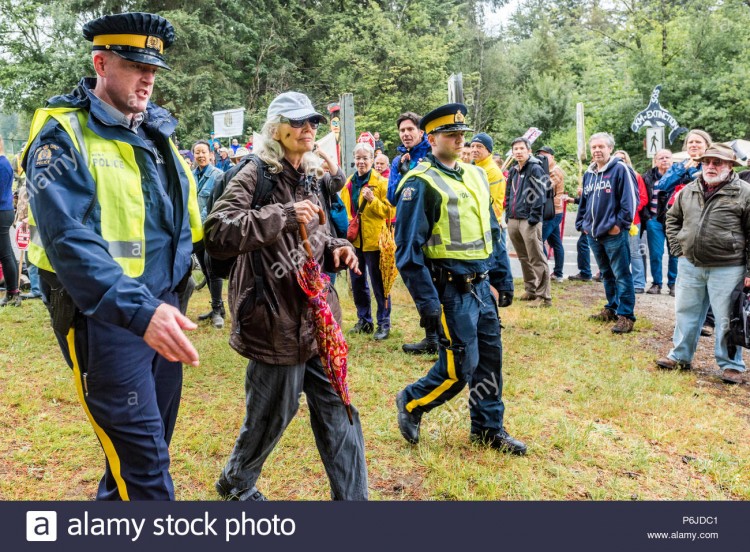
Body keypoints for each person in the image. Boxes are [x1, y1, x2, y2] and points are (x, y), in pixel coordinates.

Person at [22, 12, 203, 499]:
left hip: (163, 310)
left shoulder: (158, 134)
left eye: (153, 69)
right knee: (145, 469)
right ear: (101, 63)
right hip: (106, 318)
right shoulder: (62, 133)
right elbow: (67, 241)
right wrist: (143, 312)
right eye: (133, 65)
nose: (147, 78)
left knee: (144, 452)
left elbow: (188, 223)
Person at [204, 91, 367, 501]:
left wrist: (336, 248)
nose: (307, 129)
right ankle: (236, 483)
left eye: (311, 121)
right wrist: (282, 214)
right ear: (275, 129)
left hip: (317, 317)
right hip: (273, 317)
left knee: (339, 411)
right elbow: (218, 230)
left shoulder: (311, 175)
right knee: (272, 414)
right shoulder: (253, 173)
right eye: (297, 122)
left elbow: (320, 233)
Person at [393, 102, 524, 454]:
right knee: (460, 367)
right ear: (430, 138)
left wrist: (503, 278)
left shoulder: (477, 174)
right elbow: (407, 251)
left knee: (490, 362)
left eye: (462, 134)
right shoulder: (419, 183)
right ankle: (412, 402)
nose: (459, 140)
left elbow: (491, 231)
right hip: (450, 288)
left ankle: (488, 428)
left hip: (482, 286)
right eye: (450, 134)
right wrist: (427, 303)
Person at [657, 144, 750, 384]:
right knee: (685, 313)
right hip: (690, 265)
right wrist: (678, 249)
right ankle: (680, 357)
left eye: (717, 162)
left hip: (728, 267)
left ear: (730, 166)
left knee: (727, 319)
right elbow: (672, 218)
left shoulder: (744, 192)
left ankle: (731, 366)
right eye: (707, 161)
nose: (710, 166)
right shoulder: (689, 190)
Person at [577, 133, 637, 334]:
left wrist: (620, 224)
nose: (597, 150)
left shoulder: (621, 169)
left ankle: (626, 315)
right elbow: (585, 202)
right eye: (593, 147)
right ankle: (611, 307)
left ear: (610, 148)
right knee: (606, 273)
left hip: (613, 233)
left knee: (621, 273)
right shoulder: (589, 173)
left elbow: (631, 200)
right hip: (593, 233)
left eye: (601, 146)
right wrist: (582, 224)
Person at [387, 111, 435, 354]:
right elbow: (392, 195)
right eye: (402, 130)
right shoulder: (397, 161)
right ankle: (432, 336)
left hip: (432, 224)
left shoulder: (430, 154)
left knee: (434, 277)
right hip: (407, 223)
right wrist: (404, 171)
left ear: (421, 132)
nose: (406, 134)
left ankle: (440, 336)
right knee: (416, 274)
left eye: (410, 129)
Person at [341, 143, 393, 340]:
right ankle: (364, 320)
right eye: (358, 158)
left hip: (375, 241)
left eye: (365, 158)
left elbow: (390, 212)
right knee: (358, 283)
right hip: (355, 242)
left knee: (380, 284)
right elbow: (345, 212)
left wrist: (373, 201)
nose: (361, 162)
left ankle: (384, 323)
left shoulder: (381, 182)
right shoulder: (348, 184)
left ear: (372, 160)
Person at [652, 129, 712, 296]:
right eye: (690, 142)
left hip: (704, 220)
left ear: (707, 145)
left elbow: (706, 185)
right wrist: (682, 170)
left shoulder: (711, 164)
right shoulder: (680, 166)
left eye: (698, 142)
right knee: (680, 255)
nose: (693, 145)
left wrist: (694, 171)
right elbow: (662, 185)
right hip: (680, 219)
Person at [505, 137, 551, 307]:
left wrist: (534, 216)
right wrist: (508, 213)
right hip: (514, 218)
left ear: (529, 151)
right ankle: (530, 289)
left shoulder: (536, 168)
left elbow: (541, 193)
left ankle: (544, 296)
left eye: (521, 149)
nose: (518, 152)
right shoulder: (513, 170)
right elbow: (509, 193)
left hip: (529, 220)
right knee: (523, 257)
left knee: (536, 257)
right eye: (515, 149)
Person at [192, 139, 226, 328]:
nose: (201, 155)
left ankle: (217, 310)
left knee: (213, 270)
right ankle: (218, 308)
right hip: (196, 232)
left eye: (204, 152)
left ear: (210, 154)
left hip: (212, 231)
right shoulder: (189, 175)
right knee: (205, 269)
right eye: (197, 152)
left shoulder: (219, 176)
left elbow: (221, 204)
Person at [614, 150, 648, 293]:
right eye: (617, 159)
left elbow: (643, 198)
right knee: (618, 252)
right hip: (614, 221)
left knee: (635, 252)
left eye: (623, 158)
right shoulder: (611, 176)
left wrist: (628, 211)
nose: (620, 161)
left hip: (633, 221)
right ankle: (621, 282)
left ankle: (639, 283)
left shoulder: (635, 176)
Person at [642, 149, 674, 293]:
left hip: (675, 221)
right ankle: (656, 283)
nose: (664, 160)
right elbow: (642, 198)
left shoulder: (679, 176)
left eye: (667, 157)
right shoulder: (647, 177)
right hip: (654, 219)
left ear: (672, 160)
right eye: (661, 158)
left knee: (675, 253)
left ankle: (673, 283)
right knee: (655, 254)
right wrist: (648, 217)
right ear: (655, 161)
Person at [536, 146, 566, 282]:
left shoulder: (555, 171)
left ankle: (543, 272)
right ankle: (558, 273)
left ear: (552, 157)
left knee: (539, 240)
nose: (542, 158)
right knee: (555, 242)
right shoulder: (546, 170)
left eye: (545, 155)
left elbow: (544, 187)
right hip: (551, 211)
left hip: (553, 211)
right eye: (540, 156)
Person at [470, 133, 507, 237]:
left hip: (489, 224)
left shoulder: (492, 171)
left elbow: (492, 202)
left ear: (488, 150)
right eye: (472, 146)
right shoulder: (474, 166)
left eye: (479, 146)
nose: (474, 149)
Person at [0, 136, 20, 306]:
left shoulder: (2, 164)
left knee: (5, 254)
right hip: (4, 210)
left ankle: (12, 293)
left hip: (2, 211)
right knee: (7, 253)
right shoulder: (4, 163)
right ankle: (14, 290)